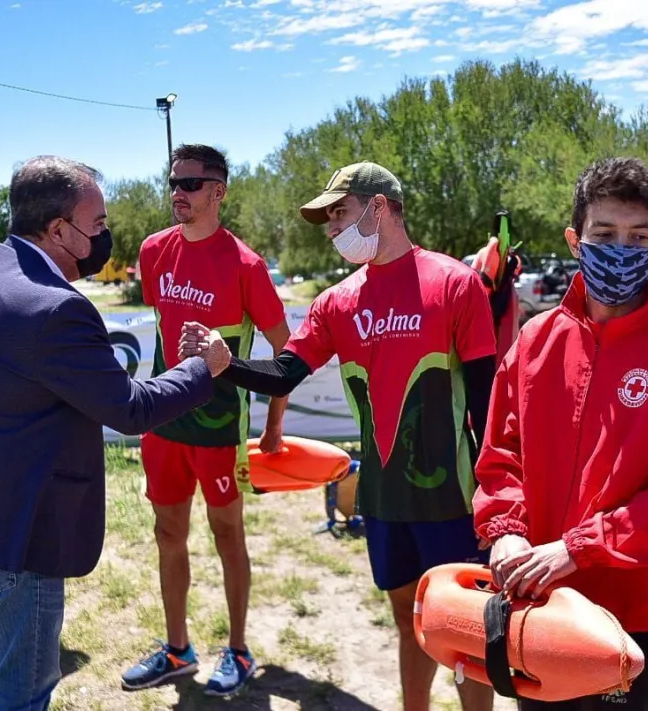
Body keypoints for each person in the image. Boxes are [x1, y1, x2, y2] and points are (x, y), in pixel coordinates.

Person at [0, 155, 228, 711]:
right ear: (59, 229)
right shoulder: (56, 308)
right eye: (99, 225)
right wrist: (204, 368)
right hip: (18, 540)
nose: (106, 235)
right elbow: (129, 408)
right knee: (23, 688)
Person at [180, 161, 498, 711]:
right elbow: (285, 372)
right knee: (410, 618)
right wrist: (225, 364)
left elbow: (488, 402)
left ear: (380, 207)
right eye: (327, 218)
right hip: (382, 497)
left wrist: (500, 500)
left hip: (454, 498)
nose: (331, 228)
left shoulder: (455, 282)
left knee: (467, 635)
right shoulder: (336, 302)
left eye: (339, 212)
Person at [472, 157, 648, 711]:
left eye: (638, 236)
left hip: (627, 612)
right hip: (535, 596)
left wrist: (578, 548)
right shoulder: (535, 340)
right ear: (574, 239)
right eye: (605, 233)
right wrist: (507, 530)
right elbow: (500, 454)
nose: (622, 248)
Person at [121, 144, 291, 696]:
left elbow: (285, 354)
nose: (178, 192)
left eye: (191, 184)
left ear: (219, 191)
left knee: (227, 536)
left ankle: (238, 651)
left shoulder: (246, 265)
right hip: (163, 422)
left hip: (220, 431)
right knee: (168, 533)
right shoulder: (152, 251)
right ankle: (177, 649)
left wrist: (271, 427)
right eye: (173, 182)